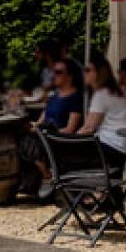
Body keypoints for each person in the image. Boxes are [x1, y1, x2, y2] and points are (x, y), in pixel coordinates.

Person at [25, 60, 85, 199]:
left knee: (34, 143)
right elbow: (40, 121)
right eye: (54, 72)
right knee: (23, 138)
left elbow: (70, 128)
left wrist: (49, 133)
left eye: (58, 72)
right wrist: (30, 126)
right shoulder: (52, 97)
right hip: (44, 134)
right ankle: (44, 174)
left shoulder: (74, 98)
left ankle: (47, 176)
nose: (54, 76)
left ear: (69, 76)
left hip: (58, 138)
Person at [80, 54, 126, 166]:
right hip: (121, 144)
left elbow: (89, 128)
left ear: (98, 72)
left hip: (111, 145)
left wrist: (69, 140)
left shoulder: (101, 95)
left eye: (88, 70)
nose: (84, 73)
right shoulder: (113, 91)